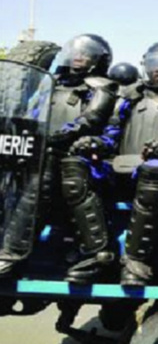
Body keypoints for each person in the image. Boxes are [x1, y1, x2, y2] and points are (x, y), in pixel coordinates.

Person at [69, 41, 158, 286]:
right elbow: (111, 133)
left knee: (157, 167)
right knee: (75, 165)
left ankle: (136, 261)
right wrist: (95, 144)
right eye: (155, 65)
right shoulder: (128, 95)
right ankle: (96, 253)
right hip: (120, 167)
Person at [0, 34, 117, 279]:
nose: (79, 57)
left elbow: (90, 119)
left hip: (77, 152)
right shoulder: (51, 84)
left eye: (86, 54)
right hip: (39, 149)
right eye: (76, 52)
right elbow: (32, 114)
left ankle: (12, 253)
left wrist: (55, 137)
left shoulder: (101, 86)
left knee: (47, 168)